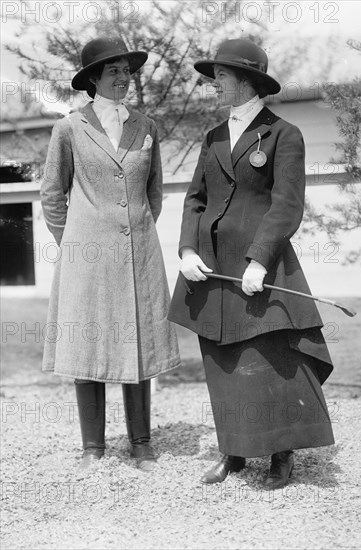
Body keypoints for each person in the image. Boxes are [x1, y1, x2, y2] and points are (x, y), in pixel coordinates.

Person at [168, 38, 335, 488]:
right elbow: (195, 199)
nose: (213, 85)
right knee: (222, 359)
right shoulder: (214, 136)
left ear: (246, 82)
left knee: (270, 356)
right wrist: (186, 250)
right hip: (210, 267)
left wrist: (259, 260)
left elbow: (286, 206)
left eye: (220, 77)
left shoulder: (284, 134)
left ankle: (282, 452)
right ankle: (234, 451)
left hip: (260, 266)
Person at [40, 37, 180, 471]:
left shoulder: (147, 126)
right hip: (86, 258)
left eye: (127, 71)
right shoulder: (69, 128)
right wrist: (79, 243)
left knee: (137, 342)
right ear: (93, 79)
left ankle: (141, 444)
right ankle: (93, 448)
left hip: (138, 253)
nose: (123, 78)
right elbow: (51, 194)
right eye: (114, 71)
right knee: (88, 343)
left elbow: (153, 194)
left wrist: (133, 234)